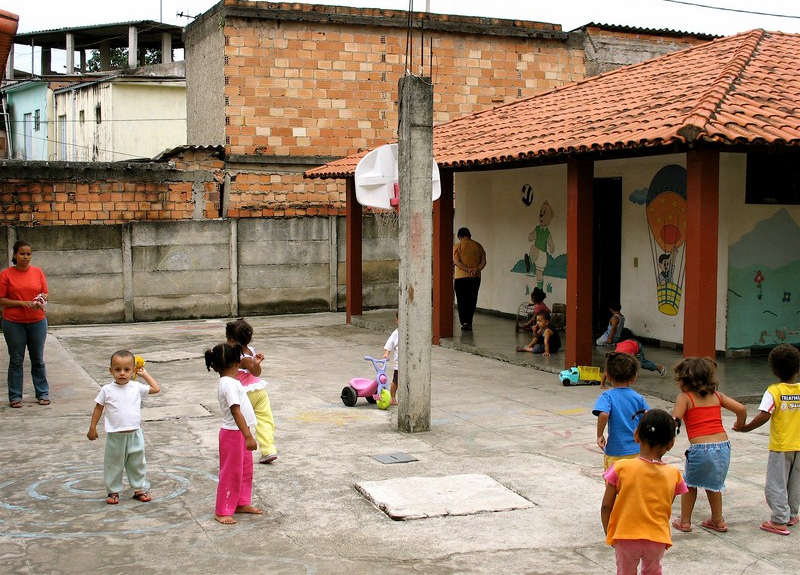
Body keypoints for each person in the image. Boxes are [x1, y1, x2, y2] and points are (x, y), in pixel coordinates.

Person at [601, 409, 688, 575]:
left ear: (636, 435)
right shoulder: (674, 474)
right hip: (657, 537)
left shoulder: (621, 467)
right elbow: (666, 504)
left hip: (625, 536)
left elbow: (606, 506)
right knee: (653, 571)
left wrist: (609, 532)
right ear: (670, 444)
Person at [670, 357, 746, 533]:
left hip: (700, 449)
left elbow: (675, 421)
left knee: (690, 484)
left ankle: (685, 521)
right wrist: (740, 425)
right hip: (723, 446)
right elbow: (741, 409)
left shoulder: (685, 398)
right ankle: (718, 520)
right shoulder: (717, 396)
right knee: (714, 484)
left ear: (684, 382)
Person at [734, 343, 800, 536]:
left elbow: (764, 415)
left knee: (776, 483)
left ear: (773, 369)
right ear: (798, 369)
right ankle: (792, 514)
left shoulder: (774, 391)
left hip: (781, 446)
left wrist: (745, 428)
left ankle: (779, 520)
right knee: (795, 482)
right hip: (799, 445)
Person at [87, 350, 160, 505]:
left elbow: (156, 388)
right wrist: (92, 428)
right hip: (115, 435)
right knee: (113, 464)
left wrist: (144, 374)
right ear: (111, 370)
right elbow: (98, 408)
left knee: (137, 462)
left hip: (135, 433)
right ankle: (113, 491)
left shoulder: (136, 387)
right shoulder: (107, 390)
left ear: (133, 371)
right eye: (117, 369)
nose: (122, 373)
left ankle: (138, 489)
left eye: (127, 370)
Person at [205, 342, 262, 525]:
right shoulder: (229, 384)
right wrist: (248, 436)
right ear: (237, 364)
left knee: (245, 470)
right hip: (233, 434)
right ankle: (222, 511)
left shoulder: (230, 381)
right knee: (230, 472)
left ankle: (241, 502)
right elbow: (236, 411)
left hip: (239, 432)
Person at [0, 240, 50, 407]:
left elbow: (45, 293)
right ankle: (15, 397)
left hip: (37, 322)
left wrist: (39, 301)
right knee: (16, 360)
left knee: (38, 359)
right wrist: (21, 303)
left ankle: (42, 394)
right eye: (22, 254)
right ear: (15, 255)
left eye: (28, 254)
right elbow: (1, 299)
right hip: (14, 323)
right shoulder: (6, 274)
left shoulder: (37, 272)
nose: (26, 257)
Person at [226, 319, 278, 465]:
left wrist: (255, 365)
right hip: (259, 391)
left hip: (244, 393)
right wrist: (255, 363)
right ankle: (268, 450)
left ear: (231, 340)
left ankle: (240, 451)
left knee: (242, 422)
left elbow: (255, 371)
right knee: (265, 420)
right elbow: (253, 369)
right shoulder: (250, 351)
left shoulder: (239, 355)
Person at [593, 352, 649, 470]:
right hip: (637, 451)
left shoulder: (607, 396)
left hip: (615, 452)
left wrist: (599, 435)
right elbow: (648, 417)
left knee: (613, 484)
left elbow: (603, 414)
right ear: (633, 377)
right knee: (634, 484)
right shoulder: (639, 398)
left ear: (608, 375)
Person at [453, 227, 486, 331]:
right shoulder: (478, 246)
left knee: (462, 300)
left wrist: (467, 270)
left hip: (461, 278)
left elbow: (456, 262)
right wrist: (475, 270)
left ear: (459, 236)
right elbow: (483, 262)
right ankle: (470, 322)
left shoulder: (457, 246)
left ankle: (464, 323)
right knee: (472, 300)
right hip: (475, 278)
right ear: (469, 235)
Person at [599, 336, 666, 387]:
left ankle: (659, 367)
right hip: (627, 344)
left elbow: (634, 366)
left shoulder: (628, 356)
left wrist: (632, 379)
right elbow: (607, 370)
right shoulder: (614, 359)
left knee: (642, 363)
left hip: (636, 345)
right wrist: (602, 384)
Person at [382, 312, 399, 405]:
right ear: (397, 320)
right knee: (396, 381)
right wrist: (386, 353)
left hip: (409, 364)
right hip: (399, 365)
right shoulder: (396, 333)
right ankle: (392, 396)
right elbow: (389, 344)